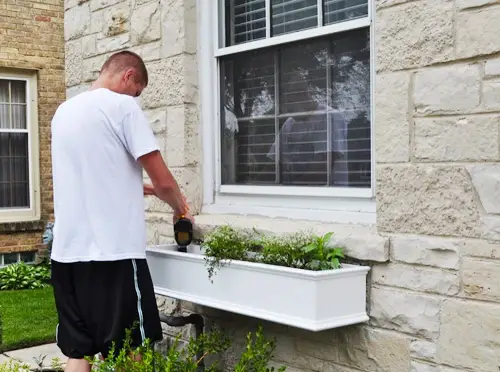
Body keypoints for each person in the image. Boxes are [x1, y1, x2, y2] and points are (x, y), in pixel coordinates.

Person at [49, 50, 194, 372]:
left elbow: (92, 171)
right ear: (129, 76)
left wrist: (138, 187)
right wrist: (179, 207)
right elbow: (164, 179)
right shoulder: (123, 106)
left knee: (79, 350)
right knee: (130, 348)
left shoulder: (64, 111)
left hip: (66, 254)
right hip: (112, 255)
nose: (137, 98)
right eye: (138, 90)